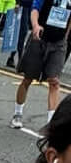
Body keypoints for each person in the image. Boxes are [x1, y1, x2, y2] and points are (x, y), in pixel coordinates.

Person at [11, 0, 69, 129]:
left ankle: (51, 124)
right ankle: (17, 114)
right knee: (28, 78)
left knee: (54, 82)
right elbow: (35, 8)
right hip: (39, 38)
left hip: (58, 43)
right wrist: (35, 25)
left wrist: (65, 36)